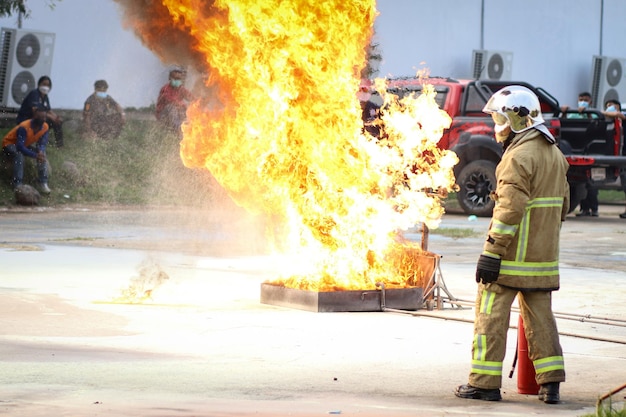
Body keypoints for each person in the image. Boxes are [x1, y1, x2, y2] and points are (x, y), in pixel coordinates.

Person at [455, 86, 569, 404]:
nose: (497, 127)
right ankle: (550, 385)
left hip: (509, 259)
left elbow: (509, 211)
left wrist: (491, 253)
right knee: (541, 320)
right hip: (542, 259)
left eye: (500, 119)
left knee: (490, 316)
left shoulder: (517, 157)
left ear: (517, 120)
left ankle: (484, 384)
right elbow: (564, 206)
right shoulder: (555, 154)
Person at [2, 106, 51, 194]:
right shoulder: (24, 127)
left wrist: (40, 151)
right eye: (41, 117)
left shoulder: (45, 127)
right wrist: (35, 156)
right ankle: (17, 184)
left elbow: (42, 143)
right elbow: (19, 146)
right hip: (10, 144)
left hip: (25, 144)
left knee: (42, 154)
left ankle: (43, 182)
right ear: (35, 117)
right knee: (19, 155)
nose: (44, 119)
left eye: (45, 117)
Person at [16, 75, 64, 148]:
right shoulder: (34, 93)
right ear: (39, 84)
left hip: (38, 118)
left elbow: (48, 110)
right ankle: (39, 144)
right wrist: (51, 117)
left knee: (56, 122)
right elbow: (36, 111)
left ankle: (60, 146)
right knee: (47, 121)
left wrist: (56, 117)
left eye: (48, 85)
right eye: (44, 84)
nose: (45, 87)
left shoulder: (45, 96)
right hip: (27, 119)